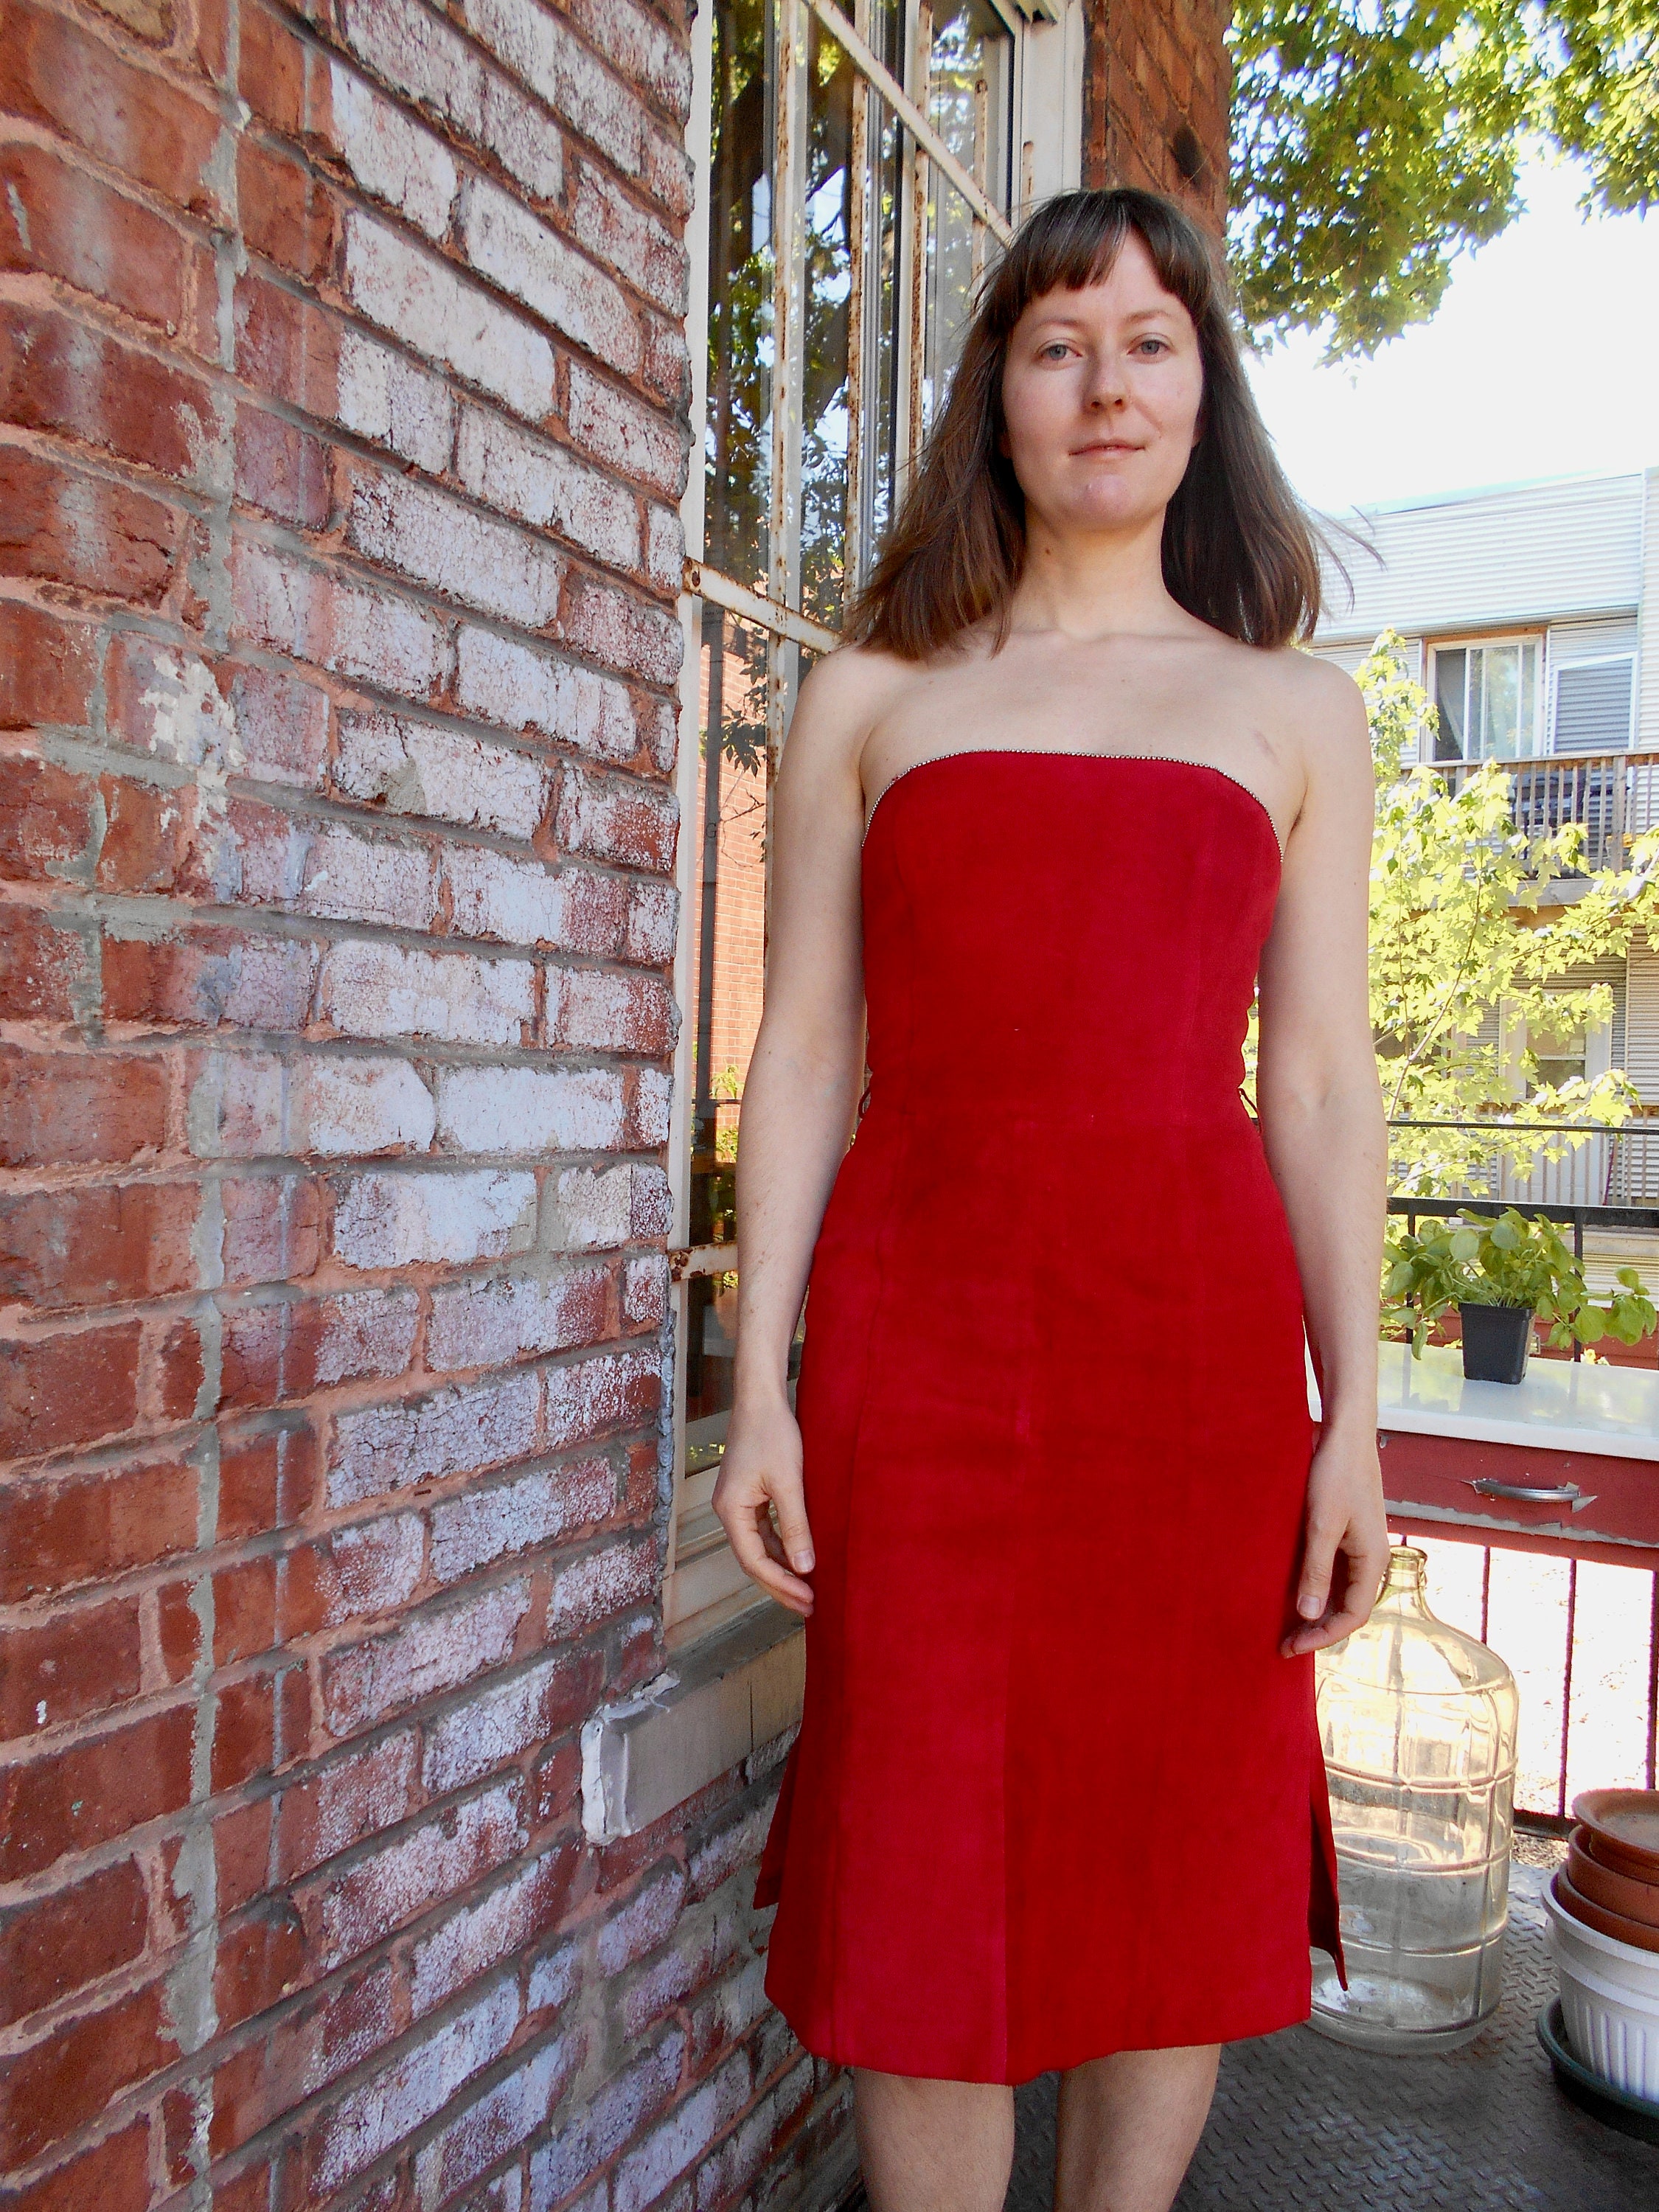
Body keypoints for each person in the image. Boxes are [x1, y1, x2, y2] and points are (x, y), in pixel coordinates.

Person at [712, 186, 1390, 2212]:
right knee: (923, 1867)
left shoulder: (1295, 713)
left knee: (1160, 1851)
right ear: (994, 397)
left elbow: (1329, 1081)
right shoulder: (870, 693)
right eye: (1054, 341)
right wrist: (759, 1384)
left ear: (1205, 393)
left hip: (1186, 1370)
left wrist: (1353, 1415)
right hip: (916, 1366)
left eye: (1150, 340)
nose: (1106, 381)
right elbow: (805, 1053)